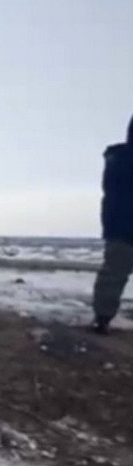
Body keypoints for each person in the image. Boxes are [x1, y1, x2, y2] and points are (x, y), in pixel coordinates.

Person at [92, 114, 133, 335]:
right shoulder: (120, 158)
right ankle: (102, 319)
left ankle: (102, 319)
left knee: (113, 274)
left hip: (118, 225)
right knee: (114, 274)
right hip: (122, 226)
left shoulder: (117, 158)